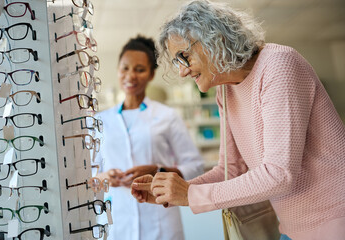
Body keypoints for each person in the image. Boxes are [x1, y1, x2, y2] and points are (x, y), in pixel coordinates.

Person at [130, 1, 345, 240]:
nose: (182, 71)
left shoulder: (279, 65)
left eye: (184, 56)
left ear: (216, 41)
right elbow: (230, 170)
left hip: (334, 222)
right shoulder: (225, 90)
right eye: (178, 62)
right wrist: (173, 191)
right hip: (291, 229)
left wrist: (189, 194)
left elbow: (279, 174)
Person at [93, 35, 204, 240]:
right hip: (118, 223)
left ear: (151, 74)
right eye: (125, 68)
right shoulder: (101, 121)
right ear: (118, 70)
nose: (130, 76)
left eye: (140, 69)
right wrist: (105, 178)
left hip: (160, 221)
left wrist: (158, 171)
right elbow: (91, 176)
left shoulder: (167, 116)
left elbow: (195, 167)